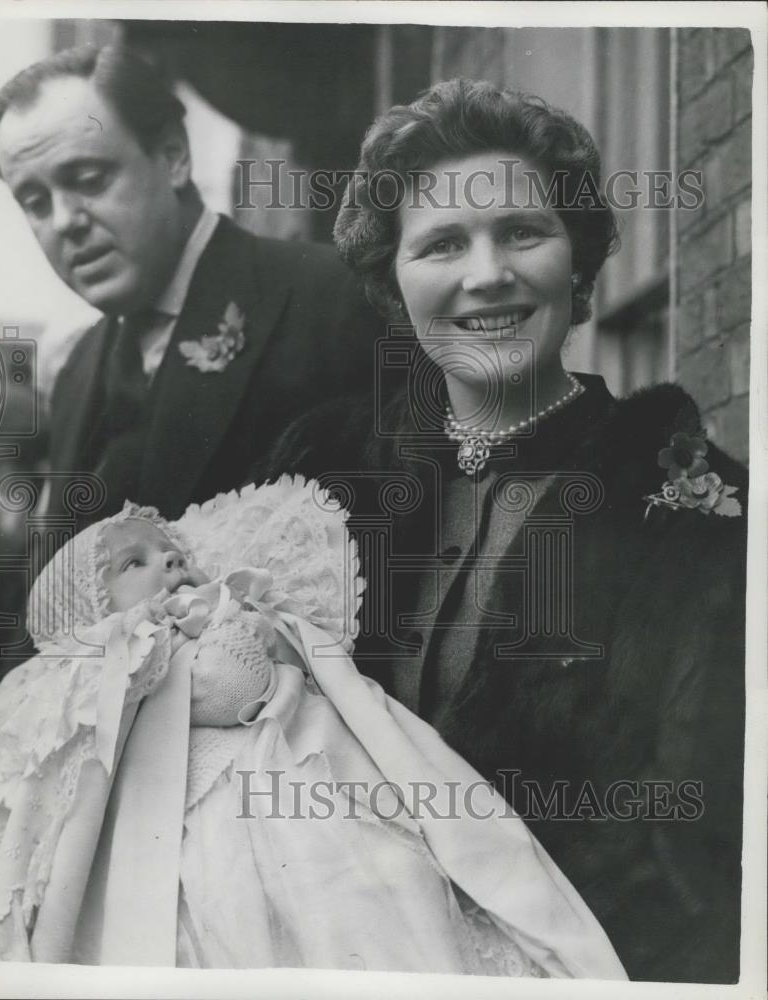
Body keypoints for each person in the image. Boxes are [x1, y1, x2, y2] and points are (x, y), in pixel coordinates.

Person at [261, 79, 748, 984]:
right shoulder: (322, 480)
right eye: (442, 243)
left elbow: (707, 860)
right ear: (393, 281)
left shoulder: (699, 518)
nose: (486, 274)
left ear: (579, 264)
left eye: (522, 232)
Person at [0, 479, 626, 978]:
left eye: (173, 552)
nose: (171, 564)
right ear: (91, 612)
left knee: (381, 892)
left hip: (303, 777)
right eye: (135, 563)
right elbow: (225, 687)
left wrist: (258, 629)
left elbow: (283, 675)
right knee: (245, 916)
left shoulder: (222, 614)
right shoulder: (125, 665)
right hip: (216, 815)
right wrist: (213, 638)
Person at [0, 43, 381, 525]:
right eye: (35, 202)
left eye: (89, 179)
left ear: (174, 157)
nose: (65, 220)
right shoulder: (77, 371)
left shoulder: (332, 300)